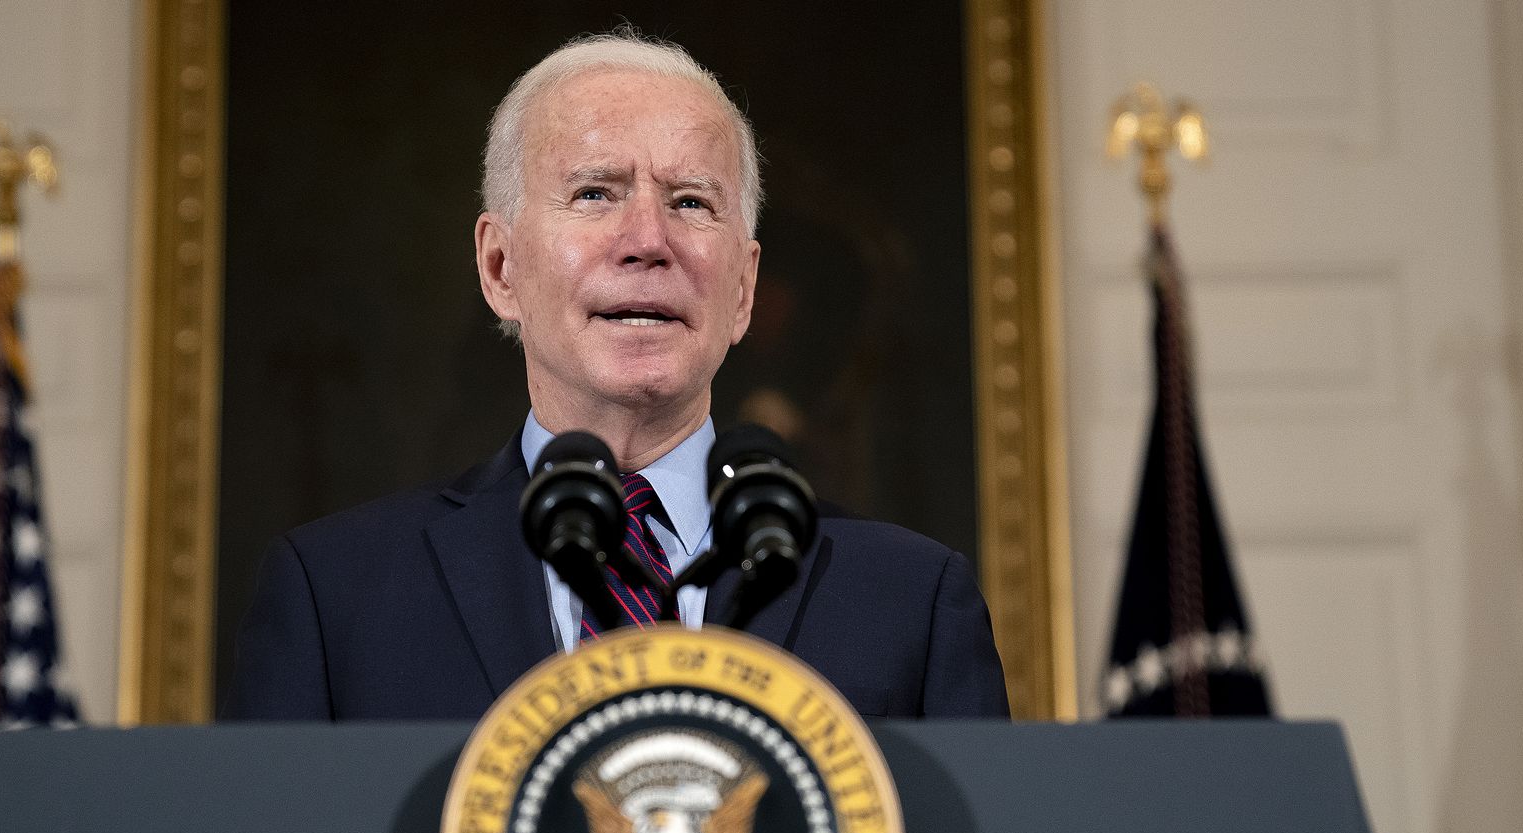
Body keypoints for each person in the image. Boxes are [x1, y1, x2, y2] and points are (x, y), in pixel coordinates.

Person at [223, 30, 1008, 722]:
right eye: (595, 193)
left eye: (692, 202)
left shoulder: (913, 601)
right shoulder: (336, 596)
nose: (647, 241)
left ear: (743, 291)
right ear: (500, 268)